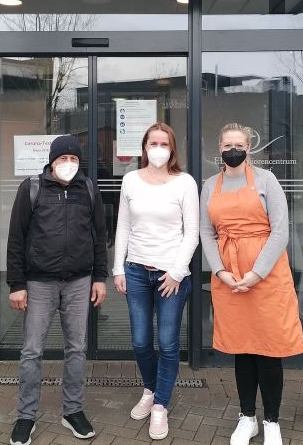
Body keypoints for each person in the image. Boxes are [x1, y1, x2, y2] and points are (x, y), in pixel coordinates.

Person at [200, 123, 303, 445]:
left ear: (249, 148)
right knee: (242, 349)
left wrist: (257, 273)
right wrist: (220, 271)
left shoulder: (266, 180)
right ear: (219, 148)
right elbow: (206, 232)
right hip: (229, 278)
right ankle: (247, 417)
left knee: (269, 348)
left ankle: (272, 421)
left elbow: (280, 231)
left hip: (268, 276)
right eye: (227, 145)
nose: (232, 150)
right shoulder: (209, 185)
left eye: (238, 145)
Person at [7, 134, 108, 445]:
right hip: (39, 282)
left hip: (79, 281)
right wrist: (17, 284)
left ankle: (73, 411)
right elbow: (16, 238)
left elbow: (99, 235)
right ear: (51, 161)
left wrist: (100, 277)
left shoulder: (88, 188)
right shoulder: (32, 187)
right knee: (32, 351)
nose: (68, 163)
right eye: (63, 158)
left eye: (74, 159)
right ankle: (26, 416)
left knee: (76, 349)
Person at [113, 122, 199, 441]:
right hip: (136, 270)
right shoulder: (131, 180)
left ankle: (160, 404)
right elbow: (123, 227)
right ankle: (150, 389)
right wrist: (118, 269)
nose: (159, 149)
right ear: (144, 147)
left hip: (170, 276)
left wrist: (176, 272)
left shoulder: (184, 183)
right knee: (139, 342)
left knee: (168, 342)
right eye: (153, 143)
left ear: (172, 148)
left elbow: (192, 232)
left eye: (164, 144)